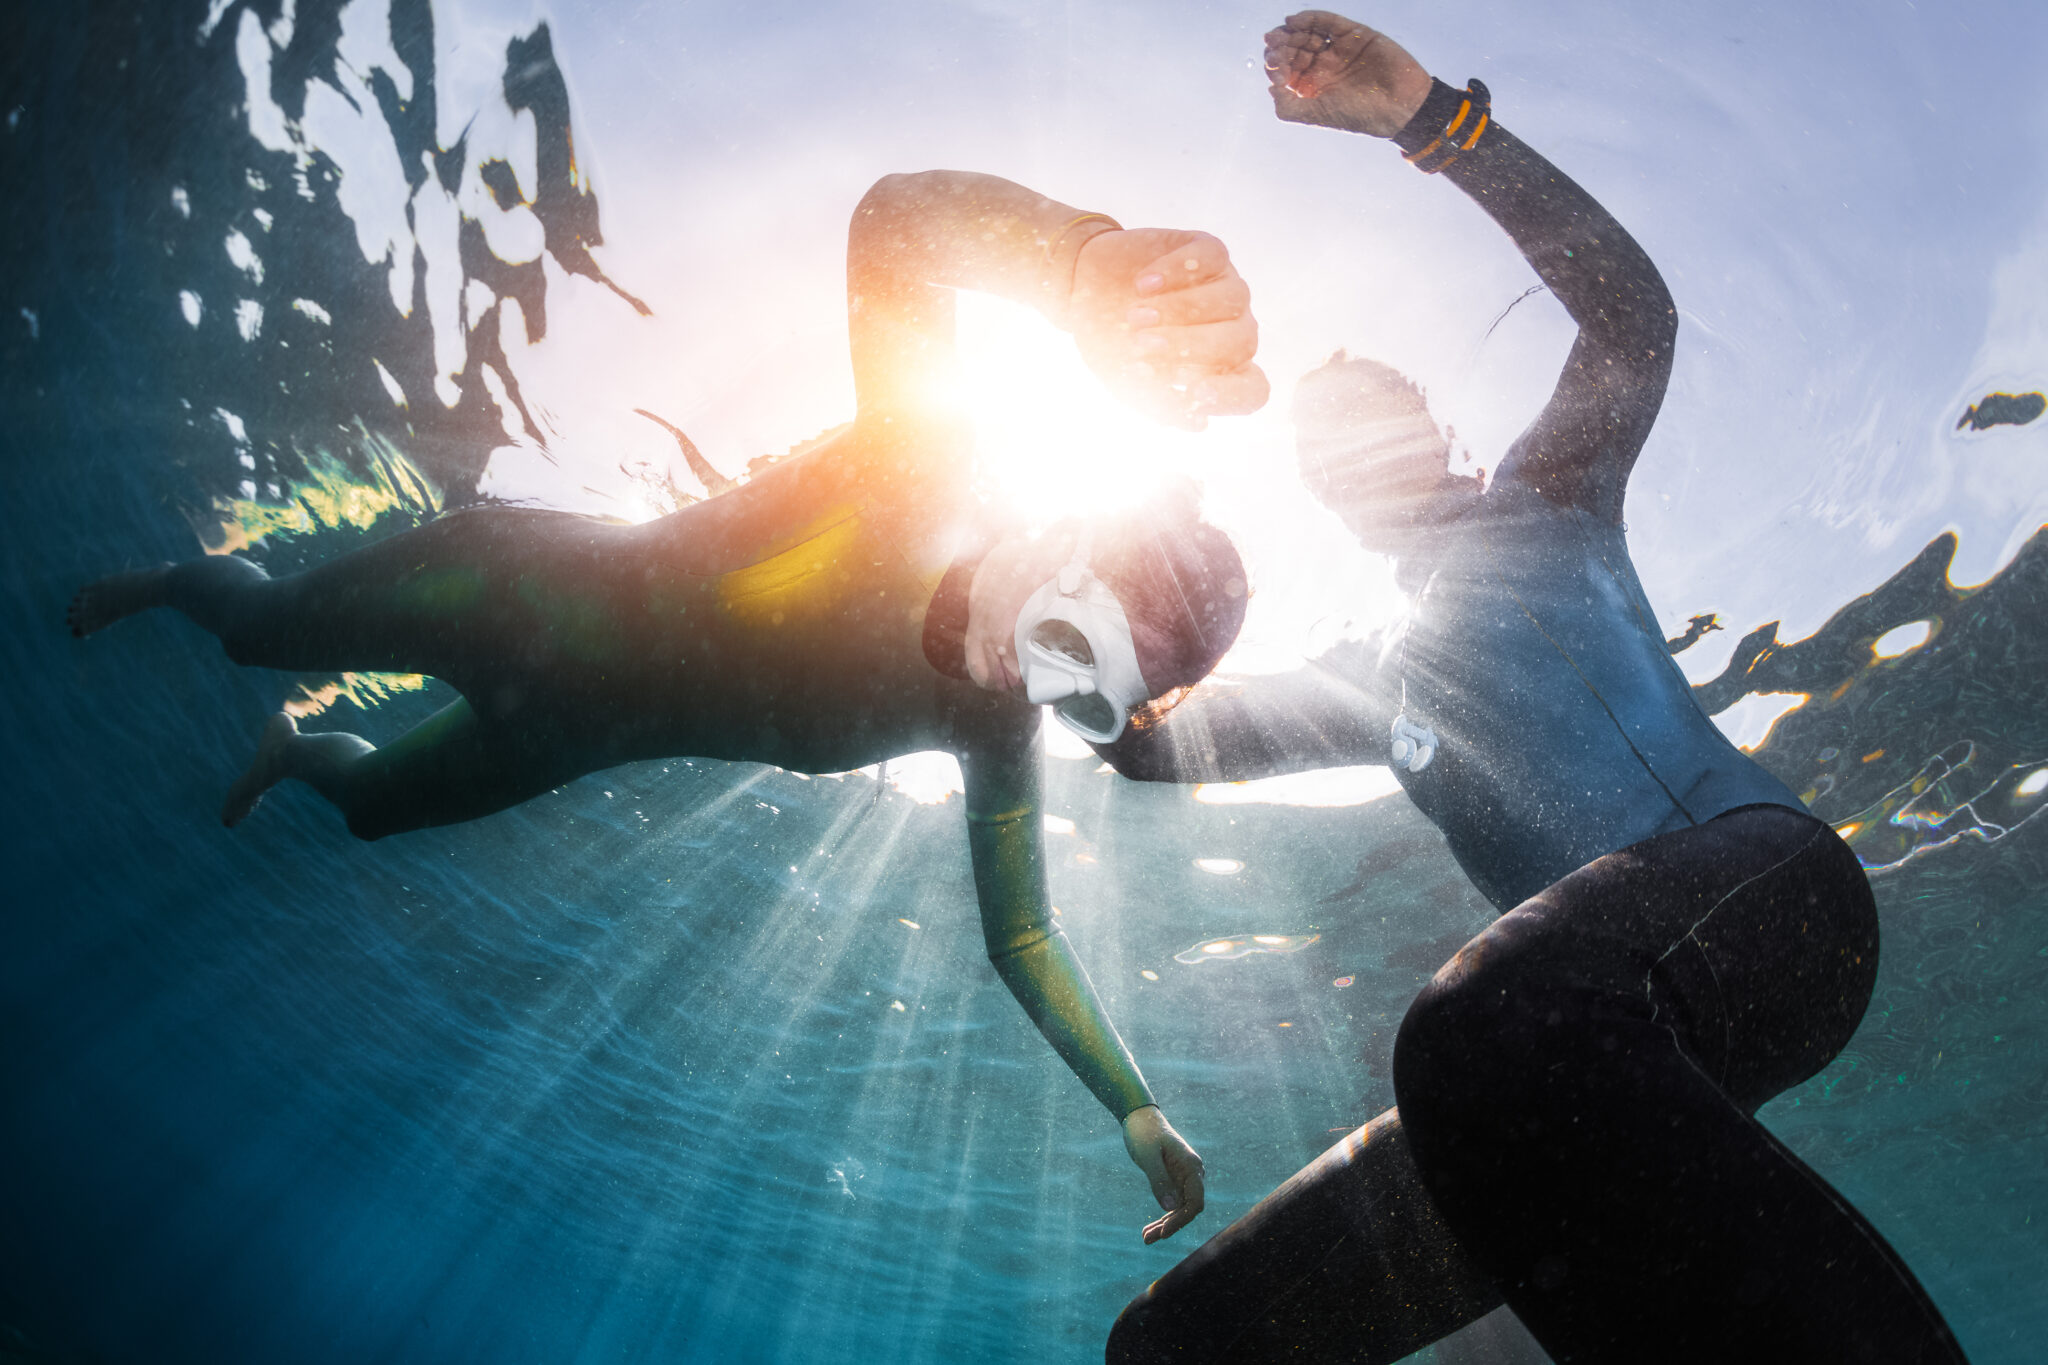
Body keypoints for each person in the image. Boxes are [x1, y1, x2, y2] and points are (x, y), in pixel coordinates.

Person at [69, 169, 1270, 1246]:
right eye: (1075, 644)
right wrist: (1076, 261)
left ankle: (291, 751)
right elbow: (894, 224)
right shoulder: (923, 460)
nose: (1038, 691)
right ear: (1066, 536)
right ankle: (179, 583)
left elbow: (1021, 938)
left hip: (557, 738)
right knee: (258, 630)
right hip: (497, 592)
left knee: (368, 812)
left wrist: (1134, 1105)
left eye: (1092, 707)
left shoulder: (988, 726)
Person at [1101, 12, 1969, 1362]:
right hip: (1598, 1047)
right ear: (1318, 503)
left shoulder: (1546, 498)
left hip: (1779, 900)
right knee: (1183, 1344)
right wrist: (1071, 643)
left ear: (1441, 428)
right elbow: (1148, 751)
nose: (1351, 450)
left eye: (1375, 412)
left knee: (1484, 1026)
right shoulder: (1363, 681)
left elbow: (1631, 312)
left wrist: (1434, 122)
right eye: (1324, 451)